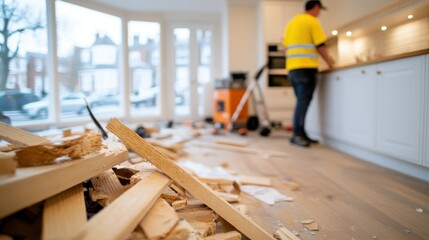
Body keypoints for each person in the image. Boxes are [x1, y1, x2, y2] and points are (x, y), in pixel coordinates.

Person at [283, 0, 334, 147]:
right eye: (319, 10)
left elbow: (286, 49)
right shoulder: (312, 21)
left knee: (301, 102)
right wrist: (330, 63)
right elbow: (320, 45)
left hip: (292, 69)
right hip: (305, 68)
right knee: (303, 102)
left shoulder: (291, 23)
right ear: (316, 7)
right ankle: (297, 134)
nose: (319, 13)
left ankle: (301, 133)